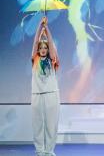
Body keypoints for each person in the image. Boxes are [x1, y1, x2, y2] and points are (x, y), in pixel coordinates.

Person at [31, 16, 60, 156]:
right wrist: (39, 26)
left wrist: (46, 28)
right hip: (37, 94)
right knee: (38, 125)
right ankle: (40, 151)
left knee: (51, 124)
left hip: (51, 94)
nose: (42, 49)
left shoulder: (52, 60)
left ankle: (49, 151)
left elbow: (51, 44)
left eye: (45, 48)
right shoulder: (35, 59)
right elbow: (36, 42)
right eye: (41, 48)